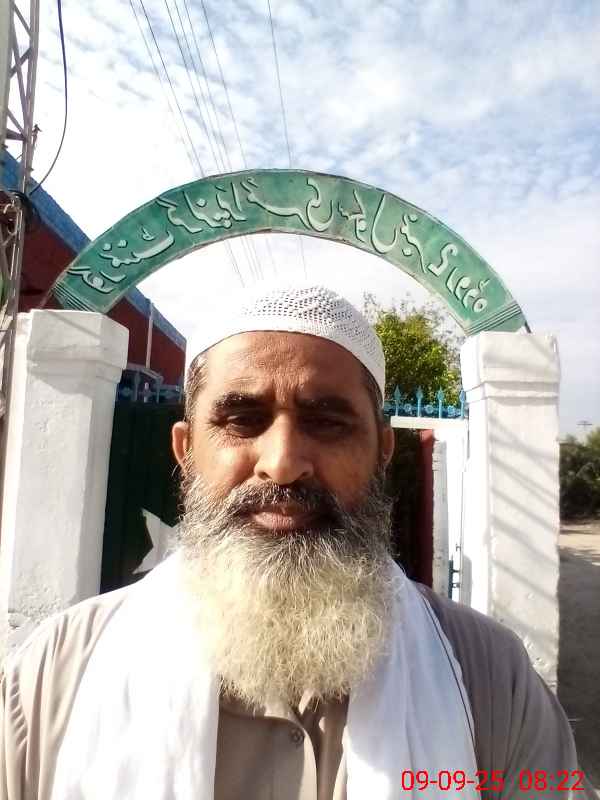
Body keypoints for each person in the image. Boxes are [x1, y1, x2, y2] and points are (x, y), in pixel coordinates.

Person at [0, 283, 591, 800]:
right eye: (242, 420)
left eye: (327, 422)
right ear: (186, 452)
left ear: (382, 453)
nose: (282, 463)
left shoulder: (491, 678)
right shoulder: (54, 676)